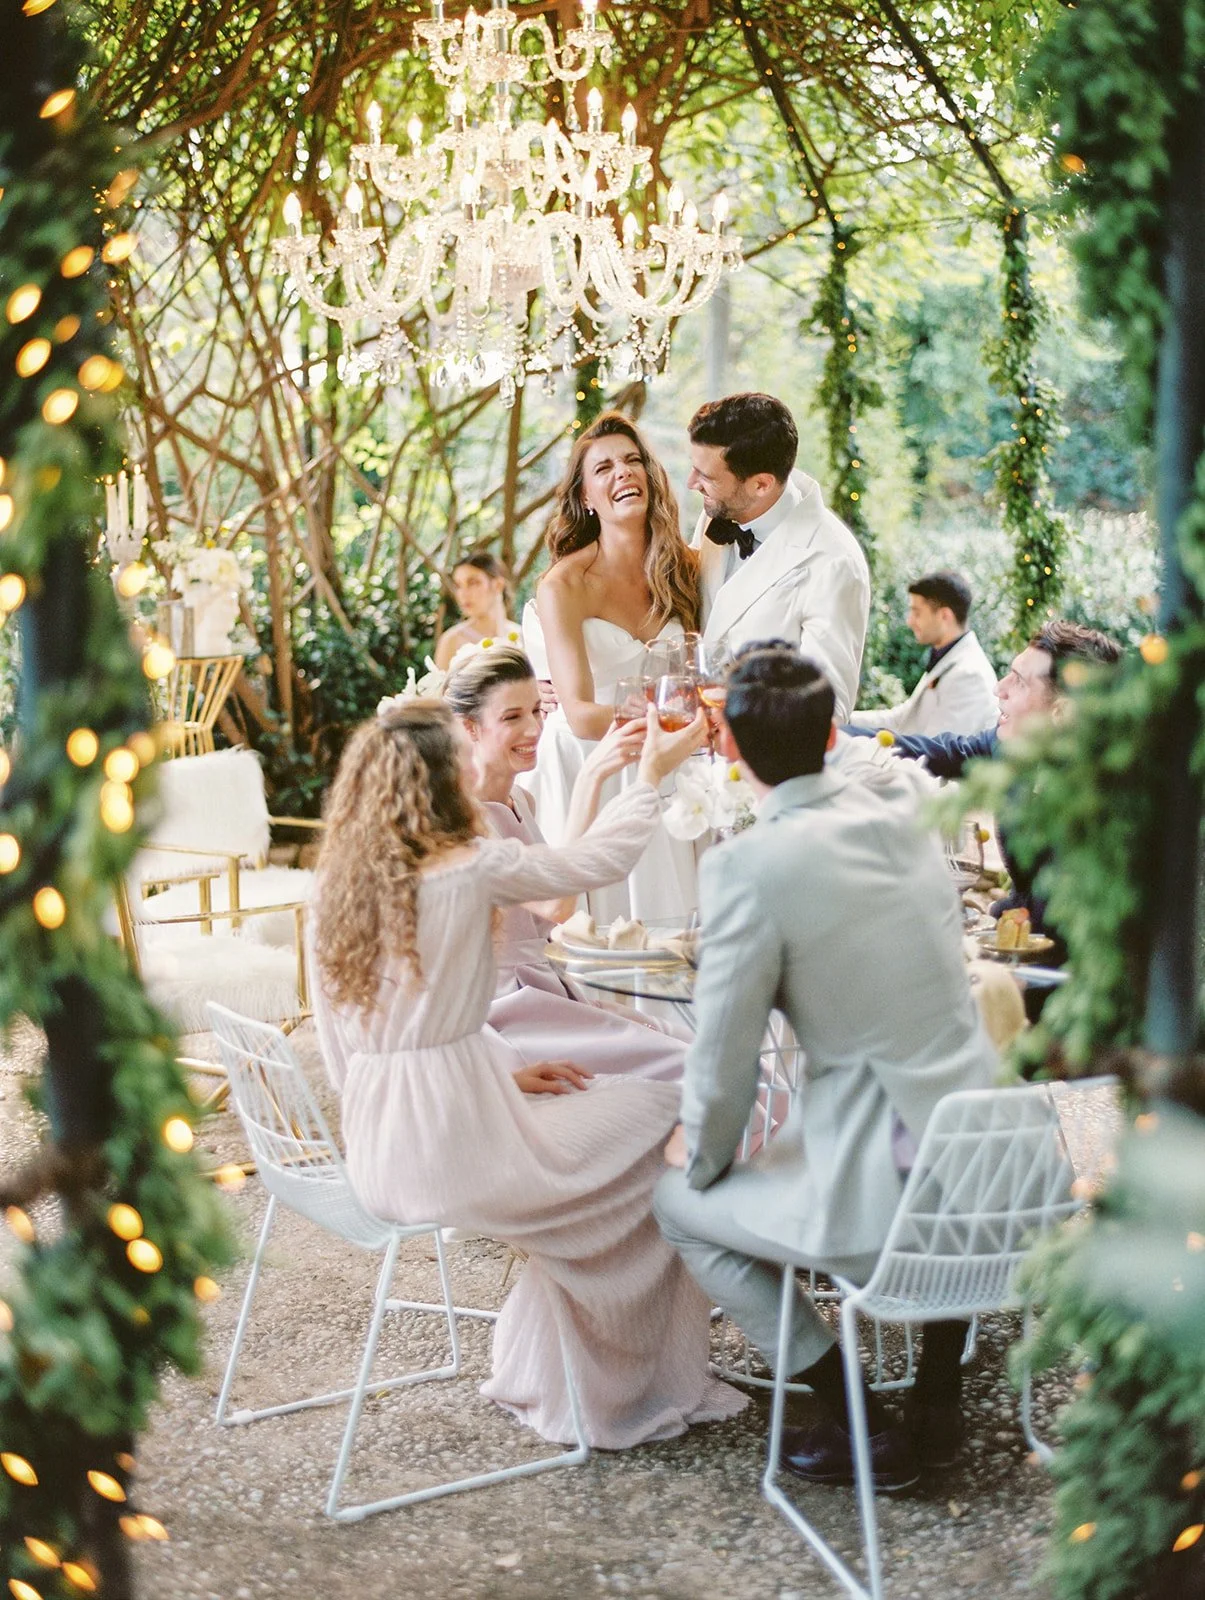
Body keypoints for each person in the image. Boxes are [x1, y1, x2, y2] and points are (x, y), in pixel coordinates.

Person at [310, 695, 745, 1450]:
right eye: (462, 754)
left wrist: (499, 1075)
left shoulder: (336, 887)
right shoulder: (466, 867)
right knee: (668, 1114)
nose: (476, 762)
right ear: (438, 780)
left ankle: (565, 1371)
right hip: (460, 1149)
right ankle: (616, 1388)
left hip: (385, 1148)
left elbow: (358, 1043)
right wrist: (647, 777)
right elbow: (597, 863)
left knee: (619, 1126)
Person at [654, 646, 996, 1489]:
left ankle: (857, 1418)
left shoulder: (748, 865)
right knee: (908, 1190)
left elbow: (725, 1058)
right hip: (1001, 1161)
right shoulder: (906, 816)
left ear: (727, 749)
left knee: (677, 1203)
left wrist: (698, 1152)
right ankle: (938, 1402)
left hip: (884, 1187)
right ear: (832, 732)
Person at [444, 643, 690, 1080]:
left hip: (550, 990)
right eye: (512, 717)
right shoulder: (464, 821)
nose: (534, 729)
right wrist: (593, 776)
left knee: (689, 1040)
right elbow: (556, 904)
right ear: (470, 728)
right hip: (507, 1010)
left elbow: (568, 874)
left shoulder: (522, 798)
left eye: (537, 711)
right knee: (687, 1065)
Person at [844, 618, 1123, 953]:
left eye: (1018, 682)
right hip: (1017, 940)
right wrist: (824, 735)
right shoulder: (1008, 746)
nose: (998, 688)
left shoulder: (1109, 799)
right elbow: (937, 750)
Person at [523, 411, 702, 924]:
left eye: (631, 461)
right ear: (585, 497)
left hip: (667, 755)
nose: (622, 473)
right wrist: (668, 723)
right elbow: (578, 714)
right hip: (590, 760)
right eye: (603, 468)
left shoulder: (685, 570)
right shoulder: (565, 584)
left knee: (673, 916)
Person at [686, 393, 870, 721]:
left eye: (707, 477)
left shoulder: (834, 562)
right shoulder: (714, 518)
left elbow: (830, 708)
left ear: (761, 485)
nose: (690, 483)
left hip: (762, 763)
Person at [849, 570, 998, 737]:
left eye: (917, 612)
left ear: (944, 616)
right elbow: (902, 719)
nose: (910, 621)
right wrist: (843, 720)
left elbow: (938, 750)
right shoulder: (946, 657)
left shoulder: (970, 675)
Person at [433, 552, 520, 670]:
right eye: (458, 585)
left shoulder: (522, 636)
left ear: (498, 585)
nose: (463, 594)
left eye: (473, 583)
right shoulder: (451, 641)